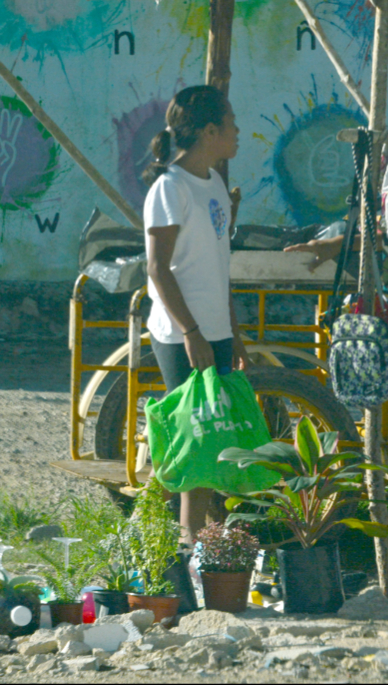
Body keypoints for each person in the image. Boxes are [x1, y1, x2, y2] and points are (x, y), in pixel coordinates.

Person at [143, 85, 248, 546]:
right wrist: (191, 331)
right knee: (195, 436)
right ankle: (189, 539)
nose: (238, 132)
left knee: (213, 440)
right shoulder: (170, 187)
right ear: (209, 131)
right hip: (182, 334)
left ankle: (203, 539)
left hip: (215, 330)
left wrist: (232, 331)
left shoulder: (215, 183)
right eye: (230, 122)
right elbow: (157, 268)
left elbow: (217, 265)